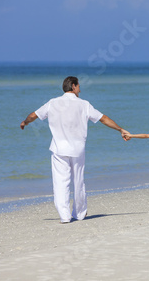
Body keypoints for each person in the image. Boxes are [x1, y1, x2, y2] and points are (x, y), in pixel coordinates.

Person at [20, 76, 128, 223]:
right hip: (78, 149)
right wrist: (120, 129)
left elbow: (34, 115)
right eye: (78, 86)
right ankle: (79, 214)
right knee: (78, 181)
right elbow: (103, 119)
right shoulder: (84, 104)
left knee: (60, 182)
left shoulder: (53, 103)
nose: (80, 89)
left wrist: (25, 122)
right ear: (73, 86)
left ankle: (64, 216)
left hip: (59, 149)